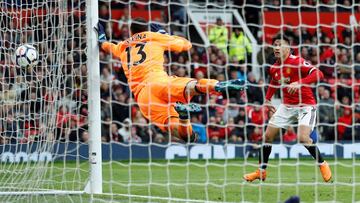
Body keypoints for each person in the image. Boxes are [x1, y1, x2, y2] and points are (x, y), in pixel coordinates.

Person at [95, 18, 245, 143]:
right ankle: (216, 85)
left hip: (143, 97)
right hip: (159, 81)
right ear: (147, 28)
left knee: (185, 136)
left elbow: (107, 47)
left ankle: (184, 117)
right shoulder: (154, 37)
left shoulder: (122, 46)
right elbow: (186, 45)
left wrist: (102, 38)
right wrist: (164, 33)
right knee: (189, 86)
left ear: (131, 31)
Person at [243, 35, 332, 182]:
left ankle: (322, 164)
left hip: (306, 106)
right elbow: (274, 80)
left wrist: (299, 83)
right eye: (275, 45)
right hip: (287, 106)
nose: (277, 48)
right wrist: (267, 98)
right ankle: (261, 172)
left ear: (288, 48)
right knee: (267, 137)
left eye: (280, 45)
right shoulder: (274, 68)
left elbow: (319, 74)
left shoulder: (297, 61)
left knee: (303, 138)